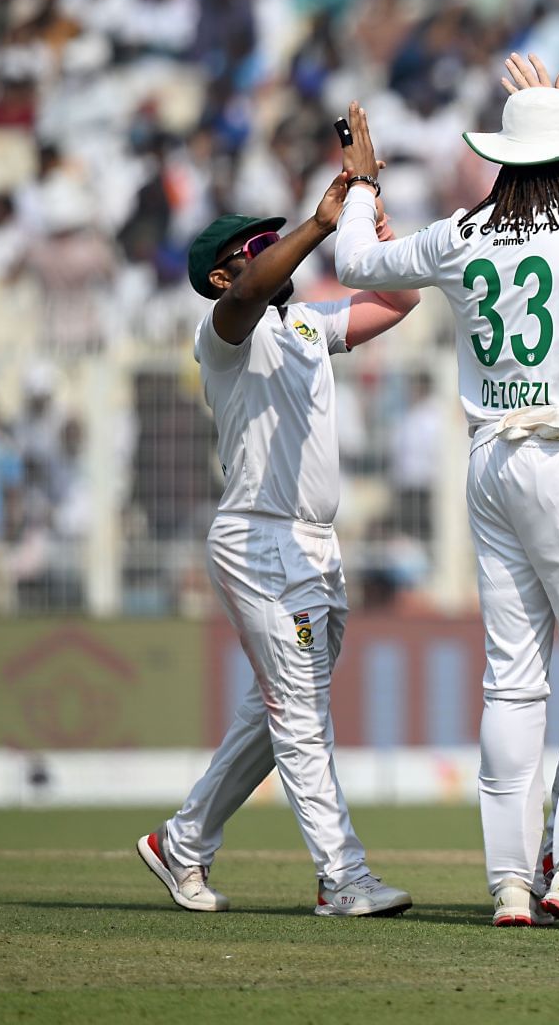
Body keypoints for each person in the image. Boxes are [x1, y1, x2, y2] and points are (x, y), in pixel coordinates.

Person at [331, 81, 559, 932]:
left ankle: (511, 882)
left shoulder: (462, 233)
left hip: (490, 463)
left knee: (514, 682)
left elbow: (354, 265)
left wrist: (363, 187)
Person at [138, 176, 420, 919]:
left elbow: (400, 302)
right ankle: (342, 877)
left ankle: (182, 842)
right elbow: (249, 293)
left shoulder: (303, 327)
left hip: (315, 546)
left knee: (280, 712)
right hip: (258, 539)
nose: (272, 251)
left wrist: (368, 217)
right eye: (255, 247)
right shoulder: (224, 329)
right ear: (224, 275)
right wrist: (320, 222)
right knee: (300, 714)